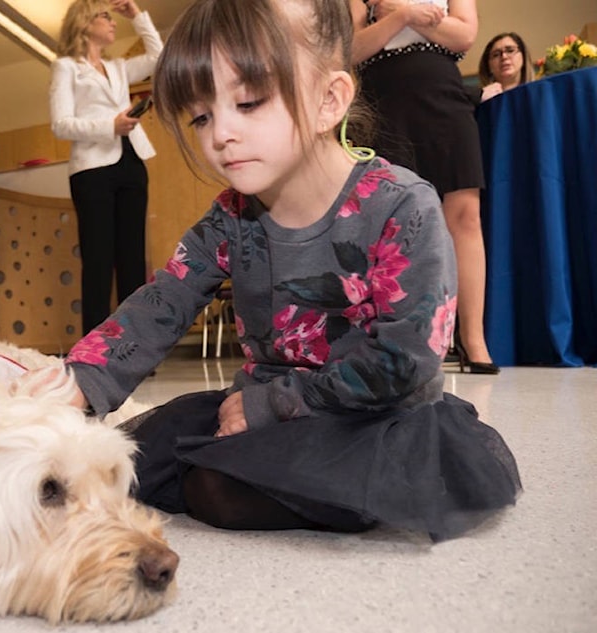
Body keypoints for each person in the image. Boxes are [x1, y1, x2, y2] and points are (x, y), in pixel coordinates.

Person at [42, 0, 521, 541]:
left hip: (374, 415)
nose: (220, 133)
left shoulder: (402, 205)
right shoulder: (230, 216)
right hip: (262, 402)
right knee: (123, 466)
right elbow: (161, 302)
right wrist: (79, 378)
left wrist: (278, 403)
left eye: (248, 102)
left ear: (327, 101)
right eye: (202, 115)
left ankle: (338, 488)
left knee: (218, 490)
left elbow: (404, 359)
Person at [350, 0, 499, 373]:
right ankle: (401, 338)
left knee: (465, 216)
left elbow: (464, 36)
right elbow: (351, 49)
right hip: (383, 102)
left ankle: (473, 339)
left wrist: (399, 12)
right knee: (390, 224)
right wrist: (408, 17)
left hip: (443, 93)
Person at [49, 0, 164, 335]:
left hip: (131, 160)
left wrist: (138, 16)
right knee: (98, 260)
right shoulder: (66, 67)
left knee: (132, 257)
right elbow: (60, 124)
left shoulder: (117, 67)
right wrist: (108, 126)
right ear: (85, 23)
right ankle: (96, 351)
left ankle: (134, 345)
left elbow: (159, 58)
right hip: (92, 169)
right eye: (105, 17)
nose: (113, 23)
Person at [477, 32, 533, 102]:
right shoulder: (479, 102)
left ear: (523, 57)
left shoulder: (537, 95)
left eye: (510, 50)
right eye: (496, 54)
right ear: (488, 66)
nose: (504, 57)